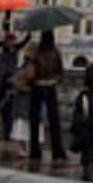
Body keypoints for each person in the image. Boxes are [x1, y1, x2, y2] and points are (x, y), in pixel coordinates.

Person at [0, 32, 29, 143]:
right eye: (10, 40)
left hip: (9, 83)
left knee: (7, 110)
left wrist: (28, 34)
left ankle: (7, 132)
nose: (12, 43)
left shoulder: (13, 50)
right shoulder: (0, 50)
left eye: (13, 40)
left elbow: (23, 43)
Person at [29, 30, 67, 162]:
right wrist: (53, 80)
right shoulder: (56, 52)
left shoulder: (36, 52)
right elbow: (61, 72)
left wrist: (37, 80)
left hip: (38, 86)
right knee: (54, 121)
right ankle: (57, 151)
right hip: (50, 86)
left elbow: (31, 72)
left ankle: (35, 151)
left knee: (34, 121)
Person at [9, 42, 41, 157]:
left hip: (25, 99)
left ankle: (24, 148)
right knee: (25, 124)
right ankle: (25, 148)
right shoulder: (30, 64)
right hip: (26, 99)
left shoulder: (29, 64)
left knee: (23, 124)